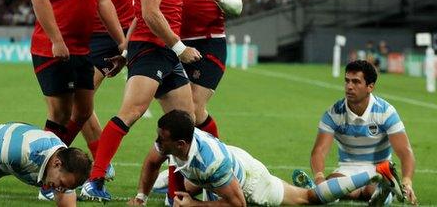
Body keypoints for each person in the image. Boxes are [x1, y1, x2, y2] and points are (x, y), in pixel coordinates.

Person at [80, 0, 201, 202]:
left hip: (163, 53)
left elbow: (137, 14)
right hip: (152, 51)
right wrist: (179, 47)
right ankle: (94, 180)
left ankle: (176, 192)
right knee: (130, 113)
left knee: (187, 122)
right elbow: (149, 13)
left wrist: (124, 50)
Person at [127, 110, 405, 207]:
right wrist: (140, 197)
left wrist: (194, 206)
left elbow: (238, 203)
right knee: (176, 187)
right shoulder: (174, 141)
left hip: (251, 183)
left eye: (161, 138)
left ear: (180, 143)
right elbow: (153, 161)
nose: (156, 141)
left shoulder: (210, 162)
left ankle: (373, 173)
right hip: (234, 160)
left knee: (307, 198)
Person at [30, 0, 126, 151]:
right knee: (60, 113)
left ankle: (52, 160)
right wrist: (56, 40)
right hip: (52, 50)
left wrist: (121, 41)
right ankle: (46, 170)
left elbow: (103, 0)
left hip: (83, 51)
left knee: (83, 110)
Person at [293, 60, 417, 204]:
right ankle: (382, 193)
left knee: (370, 190)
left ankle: (382, 191)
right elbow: (319, 151)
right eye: (347, 81)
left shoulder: (386, 112)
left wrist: (407, 182)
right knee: (334, 183)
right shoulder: (334, 113)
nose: (349, 87)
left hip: (379, 168)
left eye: (356, 82)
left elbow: (405, 152)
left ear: (370, 86)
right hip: (348, 169)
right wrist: (320, 179)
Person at [79, 0, 141, 178]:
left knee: (173, 99)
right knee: (79, 101)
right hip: (97, 38)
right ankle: (102, 160)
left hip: (131, 31)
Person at [173, 0, 242, 138]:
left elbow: (237, 7)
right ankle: (203, 157)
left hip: (209, 45)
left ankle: (208, 160)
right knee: (187, 110)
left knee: (190, 107)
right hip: (181, 47)